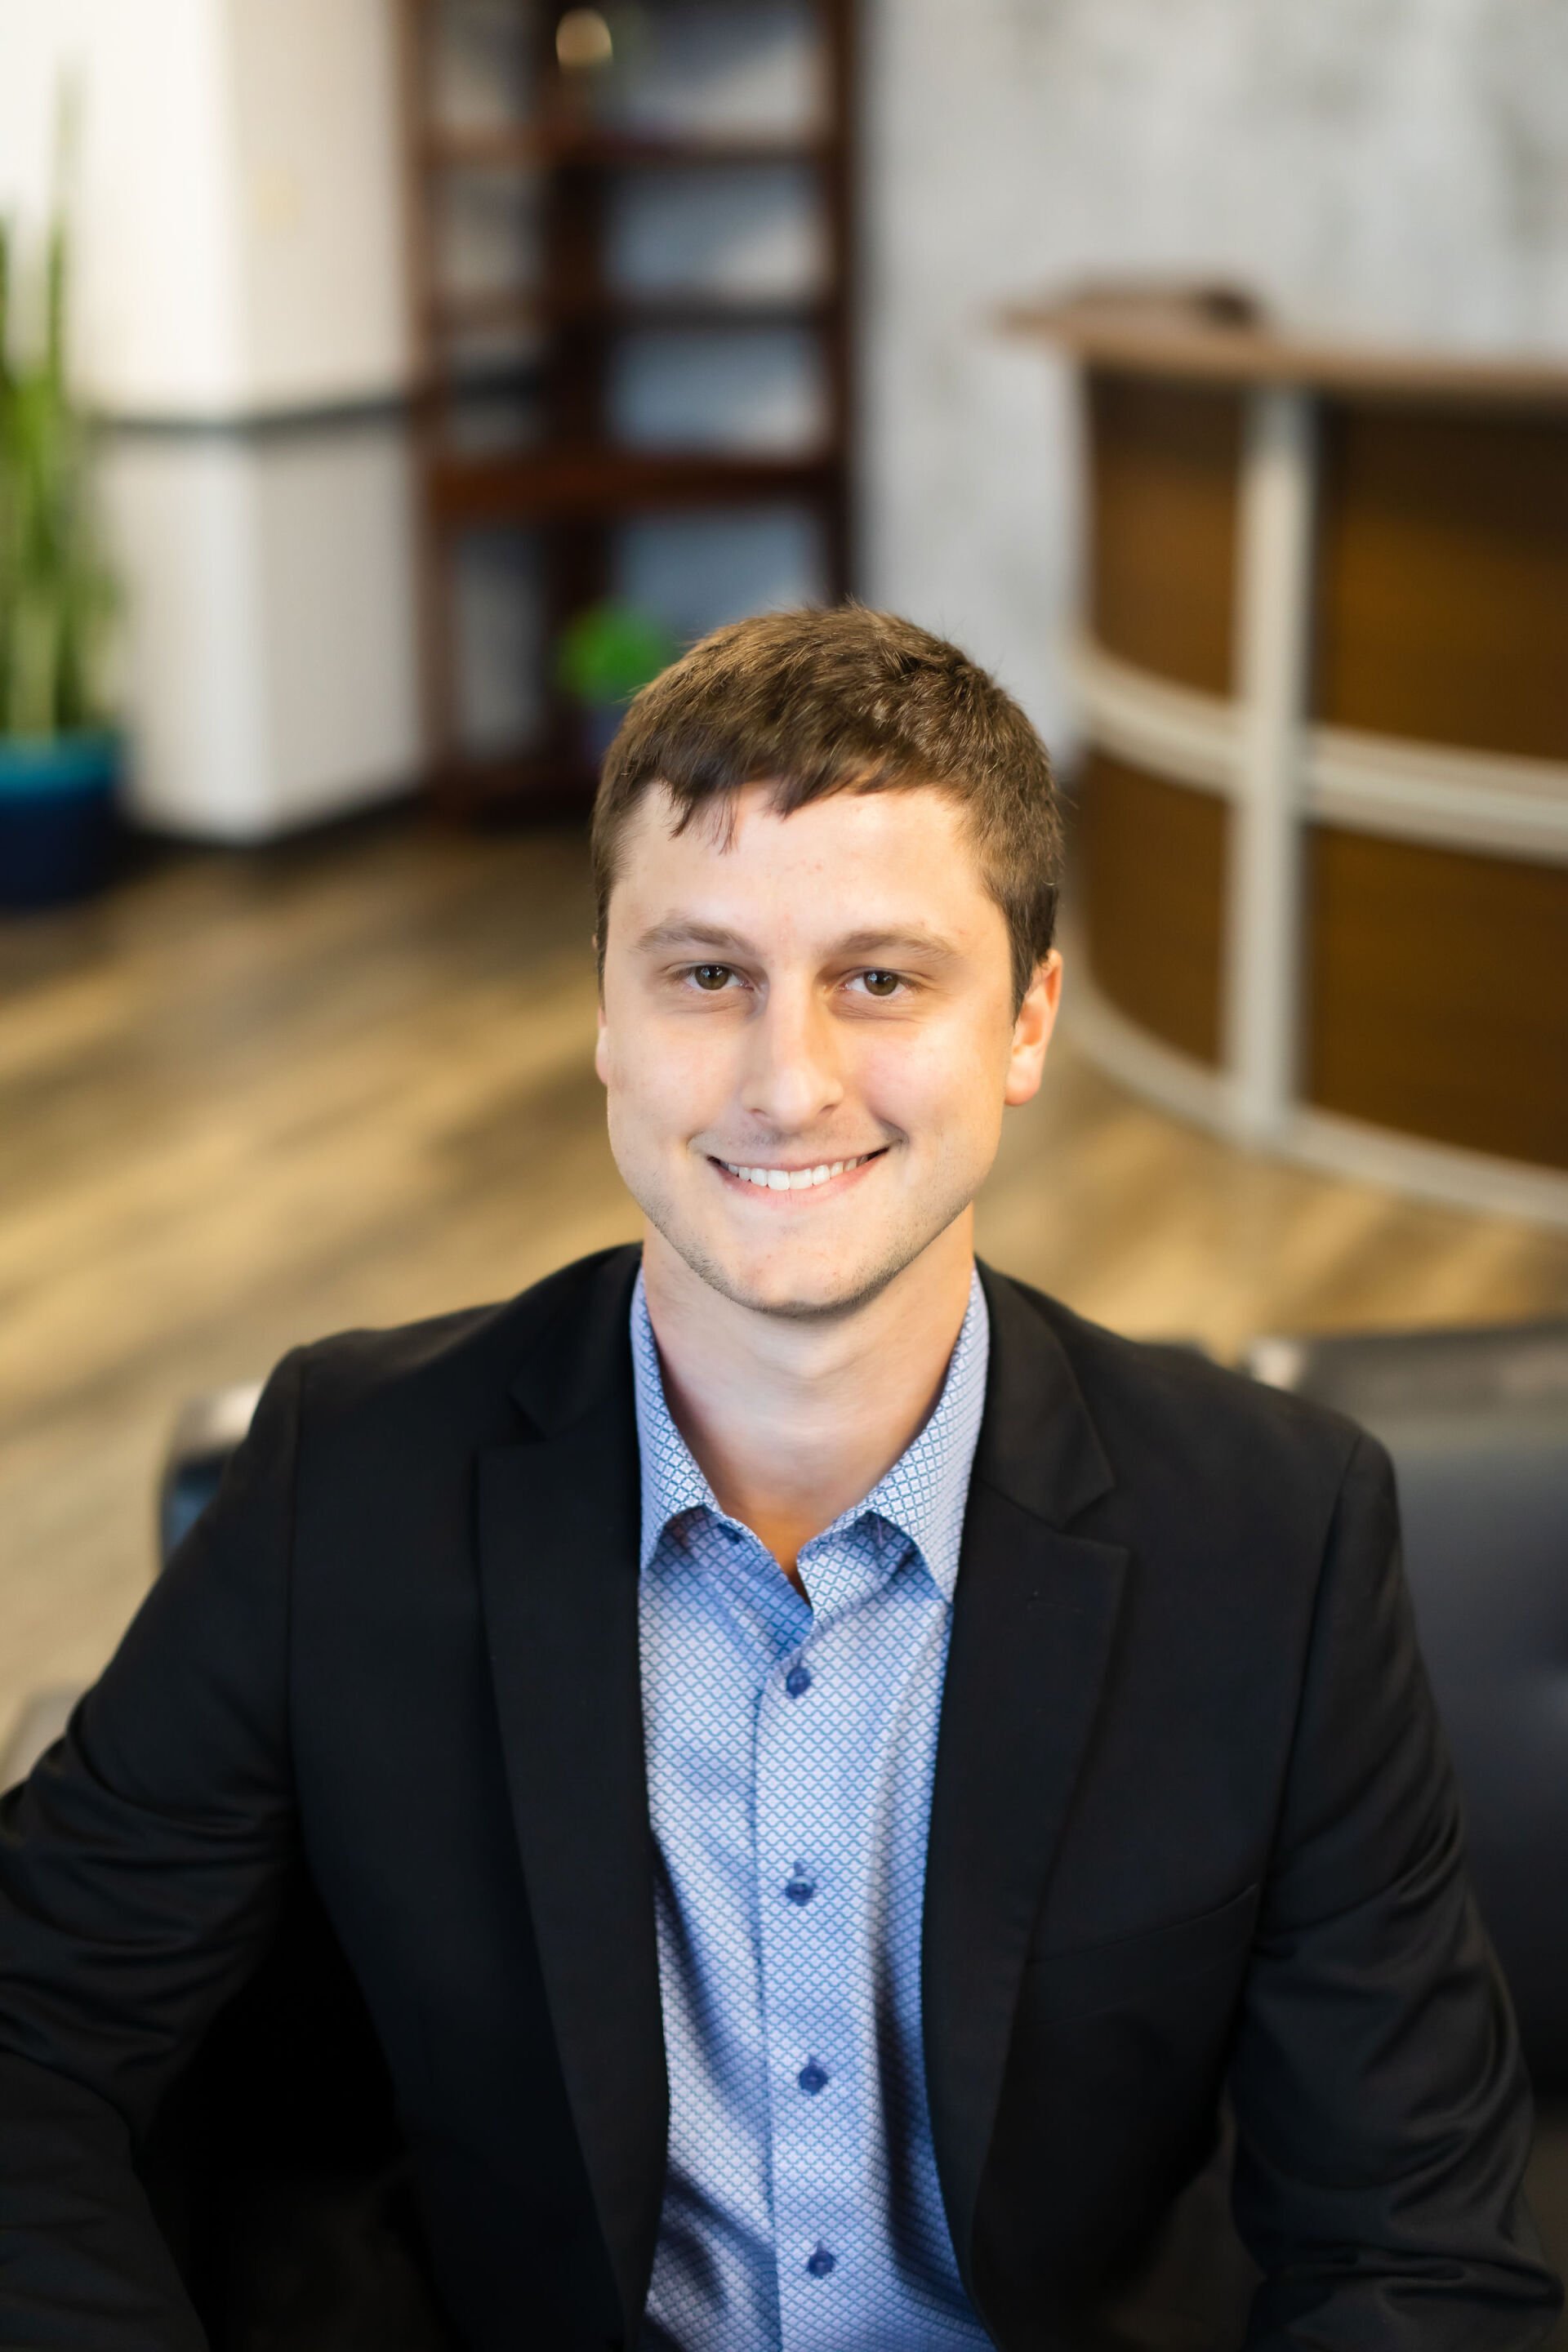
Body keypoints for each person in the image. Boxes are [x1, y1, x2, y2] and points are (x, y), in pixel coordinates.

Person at [0, 607, 1559, 2352]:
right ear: (604, 1008)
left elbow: (1417, 2253)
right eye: (704, 973)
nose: (786, 1077)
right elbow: (26, 2033)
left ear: (1029, 1021)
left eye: (879, 979)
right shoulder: (344, 1483)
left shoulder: (1278, 1538)